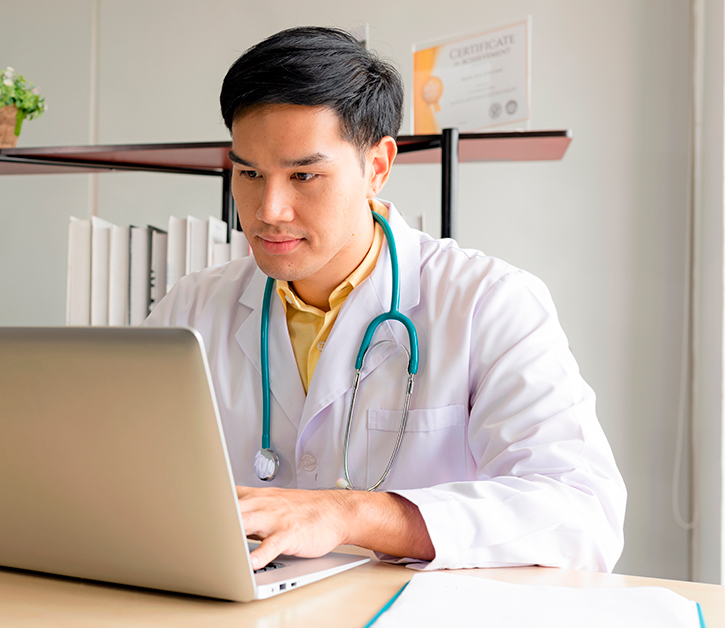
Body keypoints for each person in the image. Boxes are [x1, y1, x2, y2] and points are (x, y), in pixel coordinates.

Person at [144, 26, 626, 572]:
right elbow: (110, 467)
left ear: (377, 166)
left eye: (304, 174)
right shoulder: (193, 308)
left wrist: (349, 515)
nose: (268, 209)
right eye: (249, 173)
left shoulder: (487, 302)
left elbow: (582, 513)